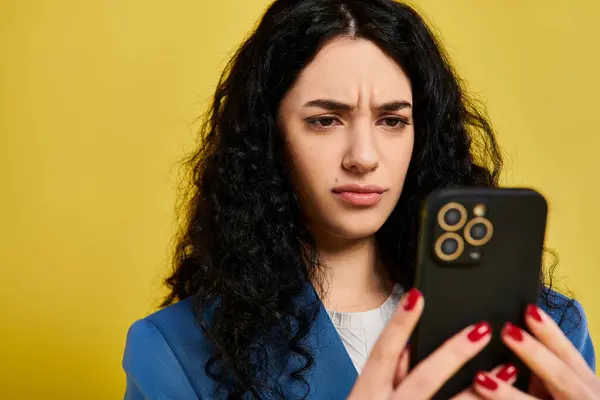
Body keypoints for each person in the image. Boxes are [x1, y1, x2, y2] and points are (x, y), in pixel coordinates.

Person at [122, 0, 598, 398]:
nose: (364, 157)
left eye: (392, 121)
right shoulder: (173, 351)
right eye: (326, 120)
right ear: (268, 137)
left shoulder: (551, 336)